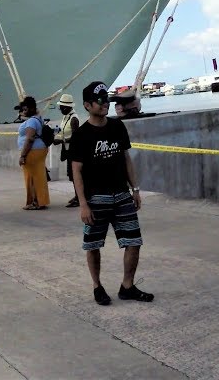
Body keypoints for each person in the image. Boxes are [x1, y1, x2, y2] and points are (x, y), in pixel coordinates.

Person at [70, 81, 153, 305]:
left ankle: (127, 285)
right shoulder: (81, 135)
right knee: (93, 245)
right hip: (96, 198)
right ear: (87, 105)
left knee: (134, 241)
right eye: (99, 100)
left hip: (122, 194)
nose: (104, 103)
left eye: (106, 99)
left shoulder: (117, 127)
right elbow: (76, 170)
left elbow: (126, 158)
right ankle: (97, 286)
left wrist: (135, 189)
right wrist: (83, 204)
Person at [17, 96, 50, 210]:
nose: (23, 112)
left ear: (31, 109)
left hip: (32, 152)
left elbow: (30, 139)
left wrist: (22, 155)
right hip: (40, 150)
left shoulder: (31, 121)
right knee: (39, 176)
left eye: (25, 109)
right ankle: (41, 200)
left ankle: (35, 202)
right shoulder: (38, 118)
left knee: (32, 177)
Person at [58, 94, 82, 208]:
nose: (61, 109)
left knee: (75, 174)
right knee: (71, 175)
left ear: (68, 107)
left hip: (74, 150)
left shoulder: (73, 119)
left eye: (62, 107)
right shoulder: (66, 116)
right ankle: (77, 195)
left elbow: (76, 137)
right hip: (67, 149)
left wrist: (62, 140)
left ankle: (79, 197)